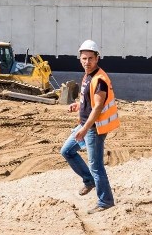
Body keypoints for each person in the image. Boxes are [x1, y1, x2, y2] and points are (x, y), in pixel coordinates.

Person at [60, 40, 120, 214]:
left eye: (91, 58)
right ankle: (89, 181)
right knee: (67, 151)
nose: (87, 61)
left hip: (94, 129)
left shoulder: (100, 79)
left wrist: (85, 129)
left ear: (97, 58)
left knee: (96, 166)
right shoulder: (87, 76)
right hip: (84, 125)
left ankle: (105, 201)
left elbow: (98, 107)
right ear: (80, 59)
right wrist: (77, 106)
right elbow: (87, 100)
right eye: (84, 58)